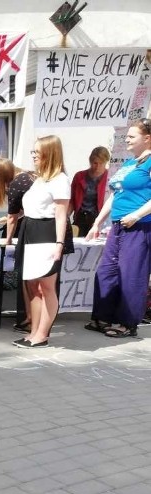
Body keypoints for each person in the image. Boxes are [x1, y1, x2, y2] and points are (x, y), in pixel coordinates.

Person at [84, 119, 151, 338]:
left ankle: (127, 322)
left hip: (140, 226)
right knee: (107, 271)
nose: (127, 140)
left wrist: (137, 214)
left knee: (131, 274)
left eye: (132, 136)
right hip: (118, 225)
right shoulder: (130, 163)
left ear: (147, 138)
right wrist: (97, 222)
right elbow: (115, 194)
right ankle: (103, 316)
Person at [13, 136, 71, 348]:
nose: (34, 156)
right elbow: (28, 209)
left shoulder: (60, 180)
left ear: (50, 154)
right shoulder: (39, 179)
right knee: (32, 285)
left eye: (38, 152)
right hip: (30, 231)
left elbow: (61, 214)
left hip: (47, 233)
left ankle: (42, 335)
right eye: (33, 152)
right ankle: (33, 331)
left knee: (46, 286)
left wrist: (59, 244)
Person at [0, 158, 36, 332]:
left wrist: (7, 243)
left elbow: (13, 217)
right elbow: (19, 212)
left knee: (28, 279)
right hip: (42, 229)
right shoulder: (27, 178)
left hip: (34, 231)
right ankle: (30, 319)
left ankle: (30, 320)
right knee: (31, 280)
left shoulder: (16, 184)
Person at [69, 146, 111, 238]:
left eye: (101, 163)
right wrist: (66, 217)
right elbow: (72, 200)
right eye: (95, 163)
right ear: (90, 161)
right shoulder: (79, 176)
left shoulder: (110, 177)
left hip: (99, 219)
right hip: (80, 218)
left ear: (106, 162)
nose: (98, 167)